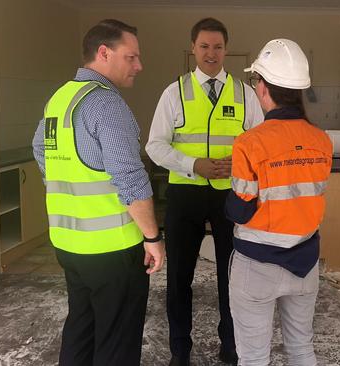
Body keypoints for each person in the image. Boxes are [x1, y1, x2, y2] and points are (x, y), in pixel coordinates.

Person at [31, 19, 165, 365]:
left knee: (81, 326)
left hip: (69, 245)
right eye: (131, 57)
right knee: (117, 341)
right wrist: (153, 236)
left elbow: (40, 151)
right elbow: (131, 180)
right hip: (112, 251)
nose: (139, 66)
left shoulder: (60, 99)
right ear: (104, 53)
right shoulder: (106, 104)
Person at [145, 17, 263, 366]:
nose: (211, 53)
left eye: (218, 47)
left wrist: (238, 164)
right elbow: (155, 145)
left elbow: (259, 143)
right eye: (204, 46)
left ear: (226, 50)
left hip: (231, 195)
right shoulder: (175, 93)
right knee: (179, 277)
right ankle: (180, 351)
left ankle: (231, 346)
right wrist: (193, 164)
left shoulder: (245, 93)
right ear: (193, 49)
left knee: (232, 276)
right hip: (186, 194)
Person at [226, 39, 333, 366]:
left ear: (262, 87)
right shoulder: (322, 140)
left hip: (257, 265)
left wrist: (225, 202)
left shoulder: (249, 143)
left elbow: (241, 210)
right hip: (305, 264)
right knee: (301, 348)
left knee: (255, 358)